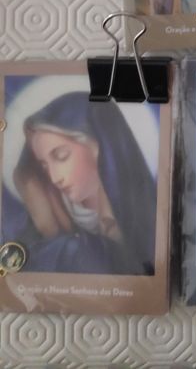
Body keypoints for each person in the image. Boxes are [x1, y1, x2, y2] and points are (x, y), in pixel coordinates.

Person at [4, 93, 157, 275]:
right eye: (44, 166)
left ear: (99, 147)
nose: (54, 178)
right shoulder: (36, 231)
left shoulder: (144, 217)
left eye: (61, 156)